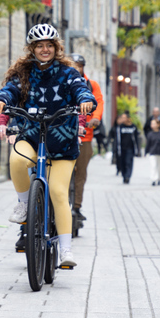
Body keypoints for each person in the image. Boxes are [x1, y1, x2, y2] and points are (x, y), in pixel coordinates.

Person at [0, 24, 96, 268]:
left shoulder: (68, 72)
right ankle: (24, 203)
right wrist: (1, 101)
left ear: (57, 47)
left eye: (49, 45)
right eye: (39, 45)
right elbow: (10, 91)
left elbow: (81, 90)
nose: (45, 49)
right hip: (32, 134)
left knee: (59, 192)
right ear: (32, 49)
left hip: (62, 139)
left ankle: (66, 250)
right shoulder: (24, 72)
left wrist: (85, 101)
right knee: (17, 160)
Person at [69, 53, 104, 222]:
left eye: (79, 66)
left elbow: (98, 102)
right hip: (66, 134)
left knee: (81, 174)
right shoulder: (64, 82)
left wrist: (96, 118)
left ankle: (76, 206)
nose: (76, 69)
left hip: (86, 136)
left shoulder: (92, 85)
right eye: (73, 66)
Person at [113, 113, 140, 184]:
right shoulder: (120, 127)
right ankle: (124, 175)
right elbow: (117, 139)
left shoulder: (133, 127)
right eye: (122, 118)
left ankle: (128, 176)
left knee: (128, 162)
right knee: (122, 163)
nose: (123, 119)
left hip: (130, 149)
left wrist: (138, 150)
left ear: (128, 118)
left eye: (124, 118)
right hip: (121, 148)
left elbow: (136, 139)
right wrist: (115, 149)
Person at [145, 119, 160, 185]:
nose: (152, 125)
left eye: (154, 123)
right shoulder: (150, 134)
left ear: (158, 125)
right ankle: (153, 179)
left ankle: (159, 178)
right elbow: (148, 144)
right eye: (151, 124)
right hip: (152, 152)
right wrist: (146, 152)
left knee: (159, 166)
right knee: (153, 166)